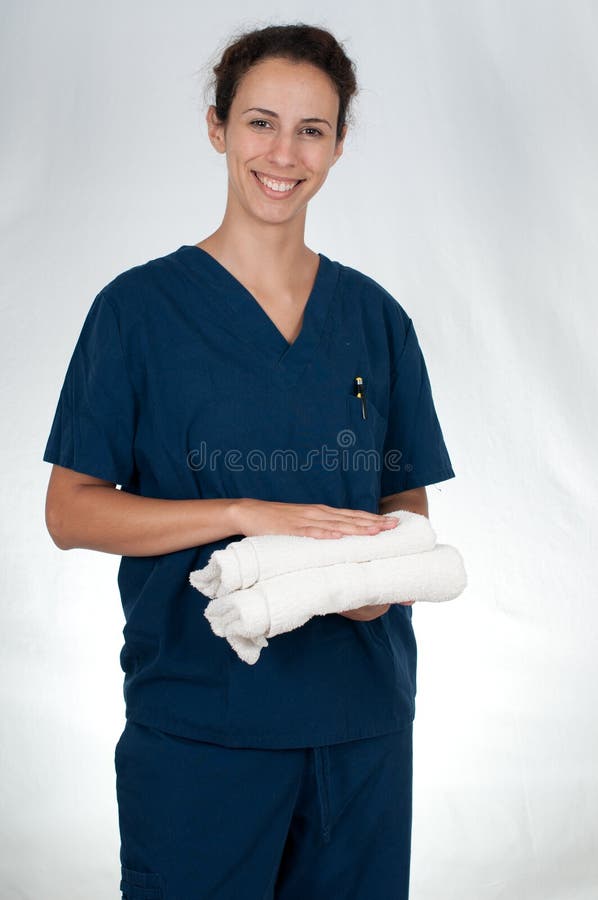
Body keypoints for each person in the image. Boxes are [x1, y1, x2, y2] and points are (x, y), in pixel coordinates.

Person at [43, 22, 455, 900]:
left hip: (361, 728)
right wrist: (241, 514)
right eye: (261, 122)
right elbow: (71, 511)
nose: (284, 152)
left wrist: (375, 576)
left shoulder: (376, 320)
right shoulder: (139, 312)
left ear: (339, 144)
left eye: (312, 129)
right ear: (217, 127)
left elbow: (405, 499)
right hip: (201, 725)